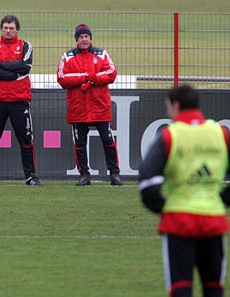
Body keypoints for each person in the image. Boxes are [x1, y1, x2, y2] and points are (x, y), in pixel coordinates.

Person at [139, 85, 230, 297]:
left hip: (179, 222)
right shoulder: (220, 134)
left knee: (180, 287)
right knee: (214, 287)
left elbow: (147, 181)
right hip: (214, 220)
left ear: (176, 105)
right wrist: (222, 199)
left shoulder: (170, 135)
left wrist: (164, 207)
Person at [57, 24, 123, 186]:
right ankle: (84, 175)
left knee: (108, 140)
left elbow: (111, 74)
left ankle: (114, 174)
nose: (84, 39)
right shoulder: (67, 57)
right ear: (76, 40)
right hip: (78, 107)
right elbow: (62, 78)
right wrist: (86, 77)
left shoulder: (102, 54)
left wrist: (92, 79)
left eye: (87, 37)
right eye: (81, 37)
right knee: (79, 143)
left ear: (91, 39)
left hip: (99, 106)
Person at [0, 15, 40, 186]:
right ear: (1, 29)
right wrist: (13, 73)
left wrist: (3, 65)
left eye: (11, 28)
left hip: (19, 99)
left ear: (17, 30)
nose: (8, 31)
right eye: (5, 28)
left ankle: (30, 176)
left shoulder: (25, 46)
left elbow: (26, 67)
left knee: (26, 139)